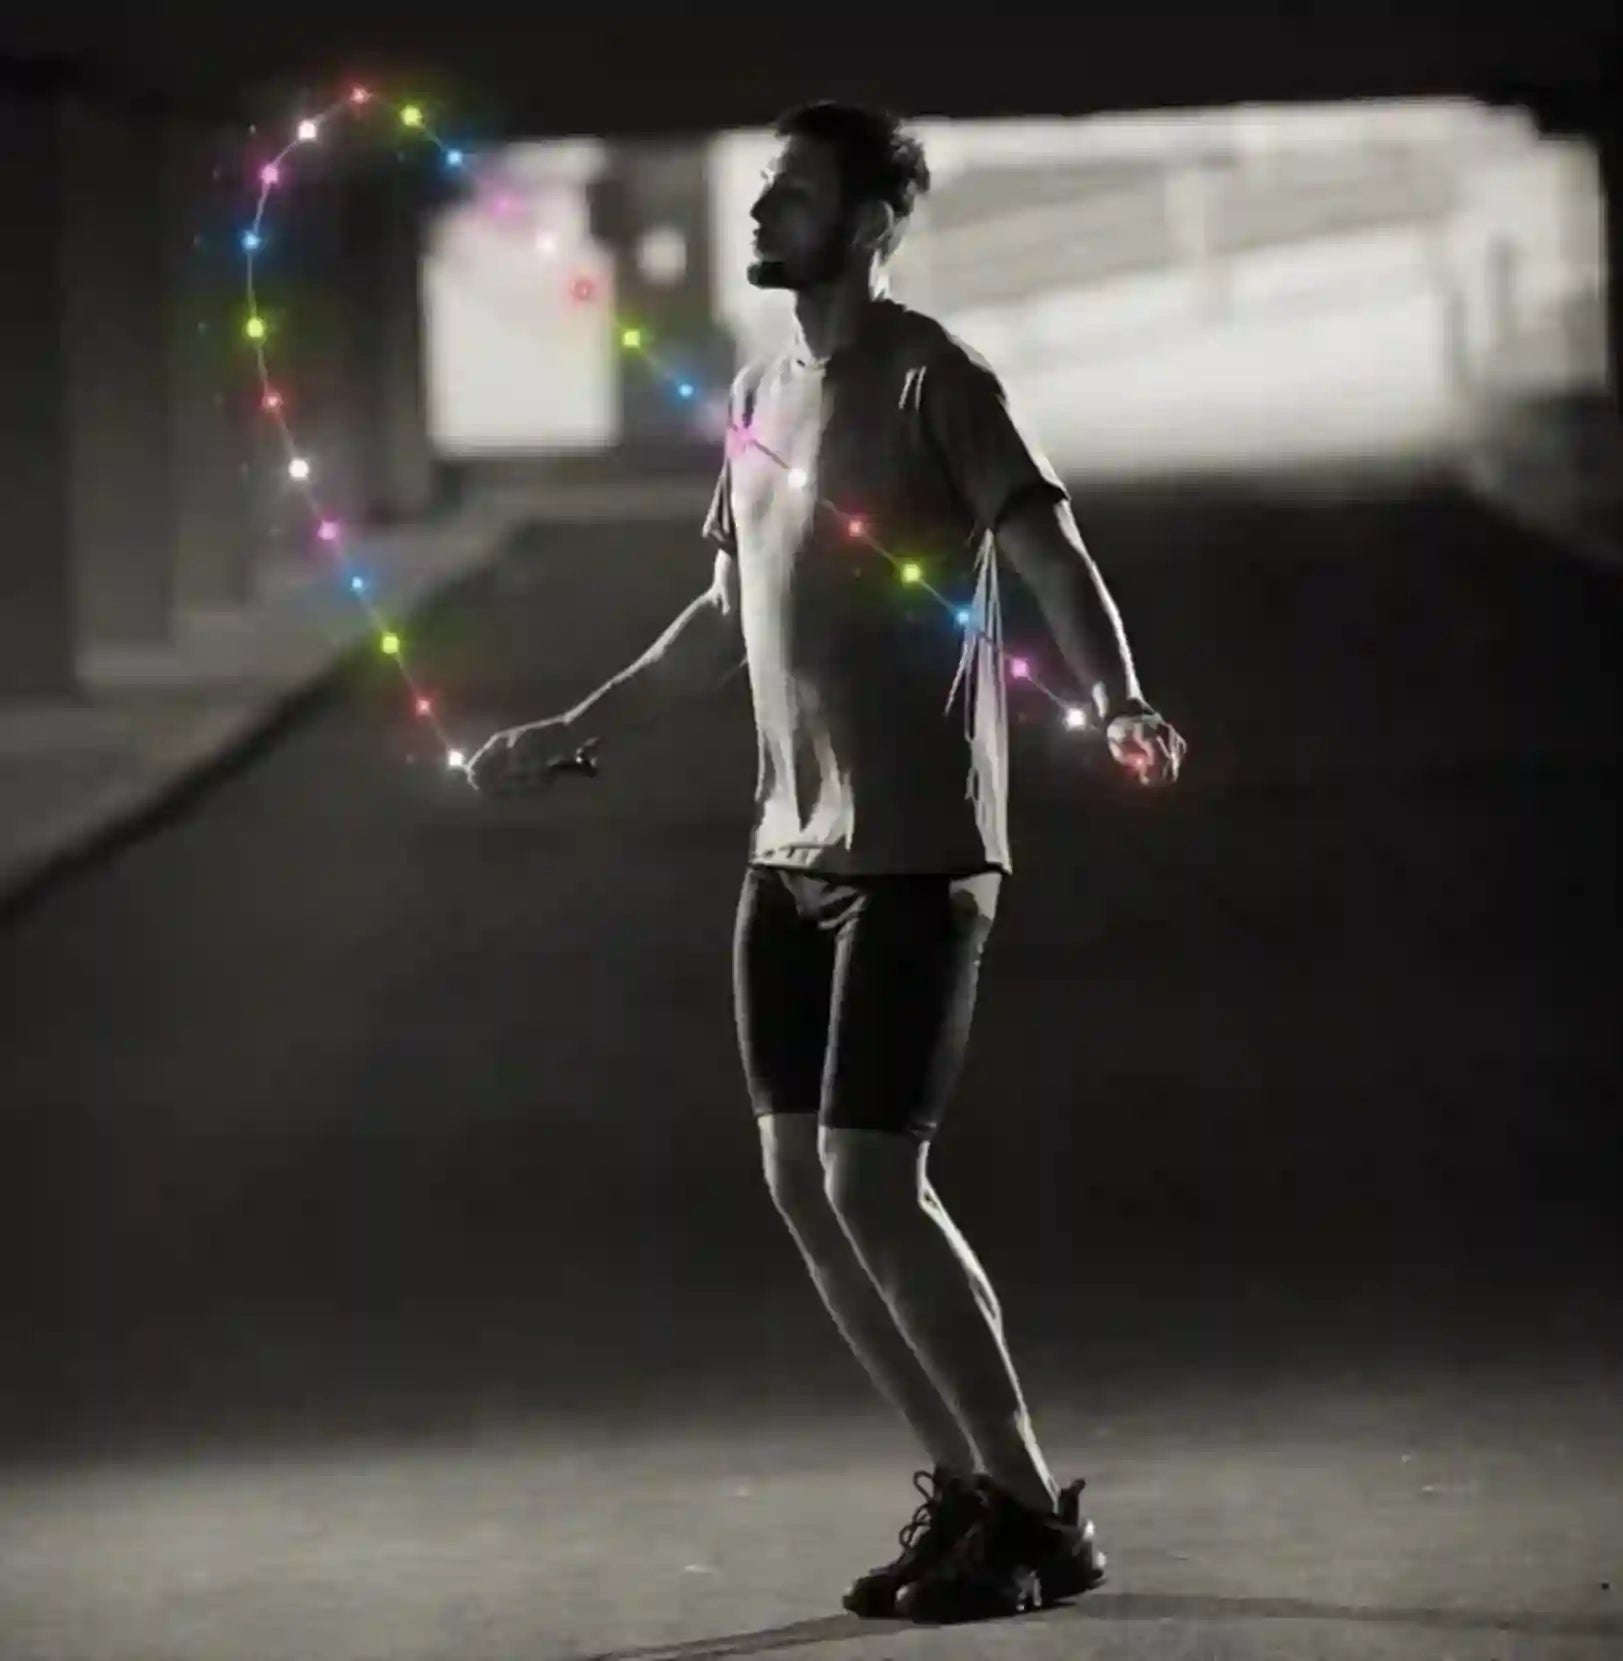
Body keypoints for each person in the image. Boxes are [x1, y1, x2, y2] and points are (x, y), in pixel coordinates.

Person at [468, 101, 1186, 1625]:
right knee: (802, 1181)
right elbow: (723, 616)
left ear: (867, 220)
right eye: (767, 189)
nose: (764, 212)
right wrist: (569, 723)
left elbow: (1053, 548)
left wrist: (1115, 695)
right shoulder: (757, 392)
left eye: (796, 194)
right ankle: (966, 1490)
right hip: (785, 845)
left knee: (873, 1175)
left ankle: (1031, 1506)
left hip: (920, 844)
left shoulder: (936, 376)